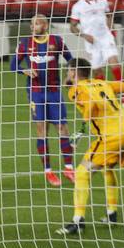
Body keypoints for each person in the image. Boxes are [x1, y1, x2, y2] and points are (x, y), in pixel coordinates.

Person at [56, 58, 124, 235]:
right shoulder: (102, 83)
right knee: (107, 167)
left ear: (72, 72)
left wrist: (82, 129)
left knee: (81, 173)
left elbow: (91, 104)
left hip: (112, 137)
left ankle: (78, 221)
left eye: (69, 70)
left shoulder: (75, 90)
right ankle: (111, 213)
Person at [11, 14, 75, 186]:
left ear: (45, 26)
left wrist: (71, 77)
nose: (33, 26)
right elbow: (13, 66)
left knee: (62, 128)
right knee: (42, 131)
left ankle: (69, 168)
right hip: (36, 93)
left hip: (54, 92)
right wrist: (24, 71)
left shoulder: (57, 41)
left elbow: (72, 61)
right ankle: (48, 171)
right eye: (31, 23)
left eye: (37, 23)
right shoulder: (25, 44)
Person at [70, 0, 124, 112]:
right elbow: (72, 26)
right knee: (97, 71)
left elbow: (108, 17)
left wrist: (111, 31)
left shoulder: (103, 2)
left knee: (114, 63)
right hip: (91, 42)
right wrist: (84, 35)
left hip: (106, 38)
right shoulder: (77, 6)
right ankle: (104, 97)